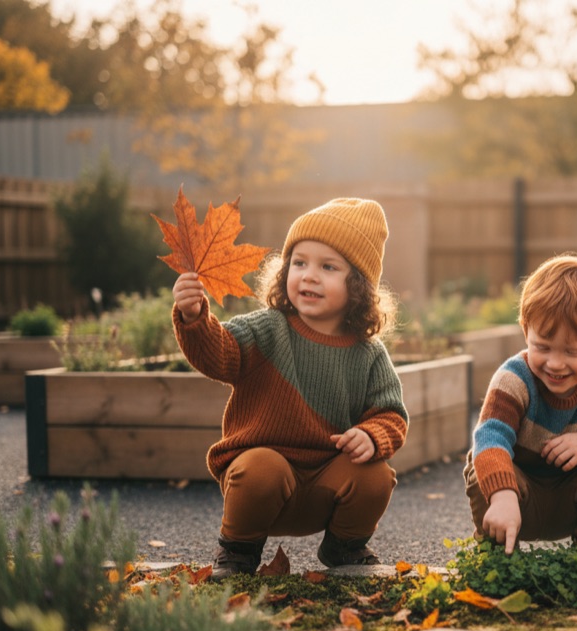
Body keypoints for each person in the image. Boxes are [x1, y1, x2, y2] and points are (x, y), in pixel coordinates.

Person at [172, 197, 408, 579]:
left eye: (328, 267)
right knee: (261, 467)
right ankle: (238, 550)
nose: (309, 275)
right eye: (299, 263)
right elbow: (220, 355)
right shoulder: (268, 329)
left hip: (327, 486)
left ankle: (344, 547)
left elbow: (391, 413)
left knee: (376, 475)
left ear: (359, 285)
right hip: (261, 485)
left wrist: (372, 434)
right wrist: (195, 317)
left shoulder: (367, 354)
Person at [464, 253, 577, 567]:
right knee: (481, 464)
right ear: (526, 331)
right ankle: (497, 555)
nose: (555, 363)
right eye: (542, 346)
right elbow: (490, 437)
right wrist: (503, 493)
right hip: (516, 500)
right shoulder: (513, 379)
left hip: (573, 500)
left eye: (572, 351)